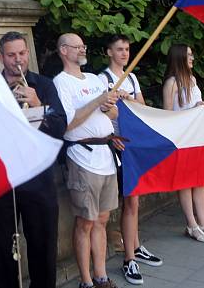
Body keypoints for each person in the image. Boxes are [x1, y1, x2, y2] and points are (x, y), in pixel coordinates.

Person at [0, 31, 67, 288]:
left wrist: (38, 103)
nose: (17, 60)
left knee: (43, 244)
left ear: (27, 53)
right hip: (2, 180)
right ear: (1, 57)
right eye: (11, 55)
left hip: (38, 178)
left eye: (22, 53)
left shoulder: (43, 85)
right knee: (1, 246)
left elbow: (60, 126)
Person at [54, 33, 121, 288]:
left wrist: (107, 106)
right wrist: (97, 102)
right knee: (85, 221)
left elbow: (113, 112)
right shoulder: (61, 83)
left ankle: (101, 275)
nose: (83, 49)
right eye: (77, 46)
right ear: (63, 50)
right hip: (83, 157)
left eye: (83, 45)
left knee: (102, 219)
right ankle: (85, 280)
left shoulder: (94, 79)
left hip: (106, 154)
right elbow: (68, 123)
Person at [99, 35, 161, 285]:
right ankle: (128, 257)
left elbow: (143, 107)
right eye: (119, 49)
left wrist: (129, 98)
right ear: (109, 52)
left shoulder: (132, 78)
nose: (124, 53)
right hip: (117, 145)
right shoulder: (103, 79)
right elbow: (100, 112)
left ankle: (135, 245)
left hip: (134, 145)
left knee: (135, 200)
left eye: (127, 49)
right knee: (129, 201)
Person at [162, 44, 204, 243]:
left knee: (199, 181)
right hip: (182, 139)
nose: (192, 58)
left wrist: (201, 107)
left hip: (197, 137)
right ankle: (191, 224)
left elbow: (196, 104)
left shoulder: (193, 80)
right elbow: (168, 115)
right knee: (185, 183)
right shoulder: (171, 83)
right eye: (188, 55)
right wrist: (192, 110)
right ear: (179, 58)